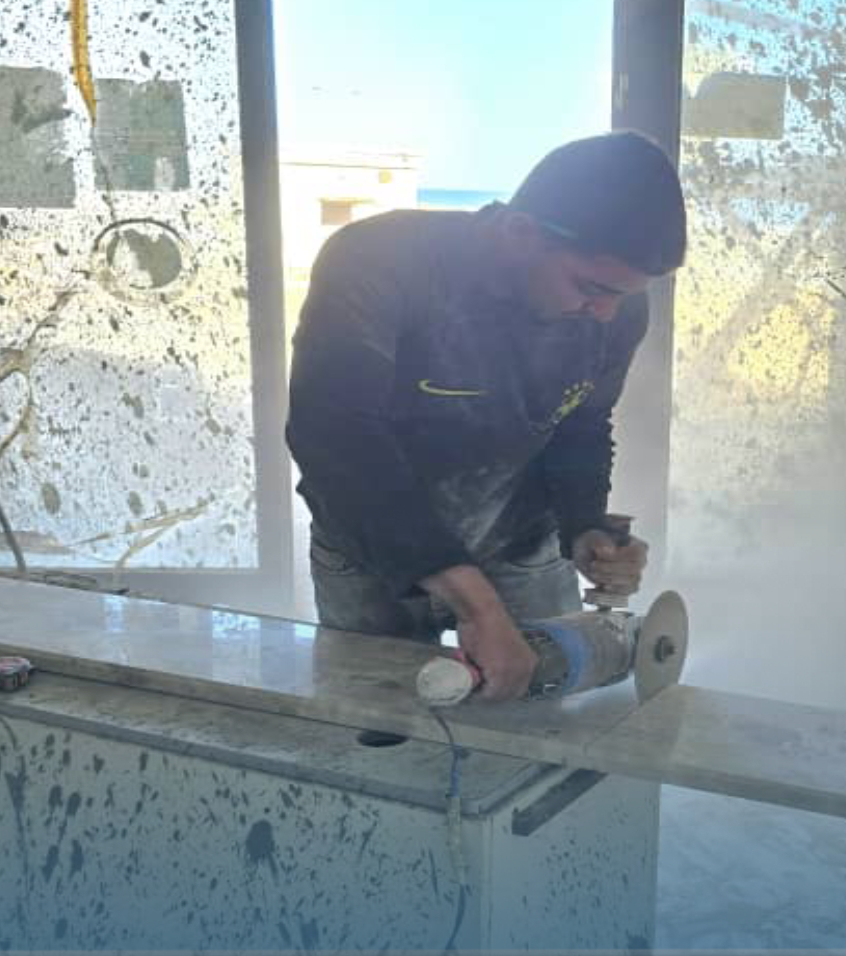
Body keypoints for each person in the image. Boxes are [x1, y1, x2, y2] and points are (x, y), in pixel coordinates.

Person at [288, 133, 687, 701]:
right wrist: (477, 605)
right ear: (520, 233)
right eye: (591, 288)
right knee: (379, 721)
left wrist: (585, 527)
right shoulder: (381, 261)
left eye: (623, 295)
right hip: (370, 544)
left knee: (546, 716)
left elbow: (579, 427)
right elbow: (336, 441)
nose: (605, 314)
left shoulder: (613, 310)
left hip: (518, 542)